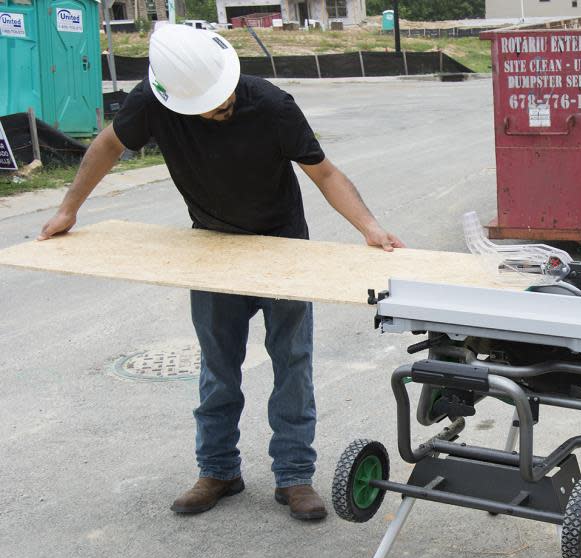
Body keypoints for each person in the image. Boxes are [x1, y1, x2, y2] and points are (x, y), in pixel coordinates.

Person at [38, 24, 403, 521]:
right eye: (207, 106)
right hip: (210, 246)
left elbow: (325, 172)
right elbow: (106, 147)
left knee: (292, 365)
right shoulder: (152, 101)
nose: (220, 107)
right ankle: (218, 470)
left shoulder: (272, 105)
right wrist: (69, 209)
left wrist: (370, 227)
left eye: (223, 98)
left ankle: (294, 476)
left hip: (282, 248)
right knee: (218, 367)